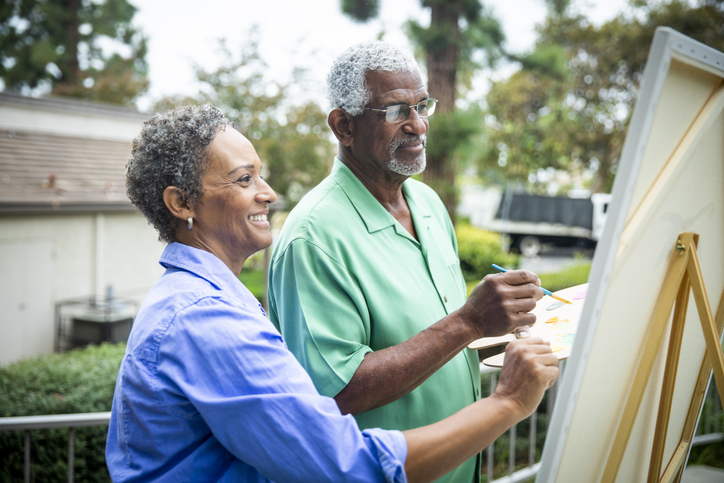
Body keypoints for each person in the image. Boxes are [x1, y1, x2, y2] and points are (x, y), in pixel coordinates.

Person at [105, 104, 559, 482]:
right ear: (181, 204)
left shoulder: (205, 300)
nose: (269, 193)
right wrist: (509, 402)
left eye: (260, 176)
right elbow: (343, 466)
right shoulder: (206, 318)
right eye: (243, 179)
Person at [267, 41, 548, 482]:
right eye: (397, 110)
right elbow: (338, 390)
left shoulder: (428, 203)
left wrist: (508, 327)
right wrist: (470, 322)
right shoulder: (313, 237)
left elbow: (436, 337)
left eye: (422, 105)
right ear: (344, 126)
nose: (418, 125)